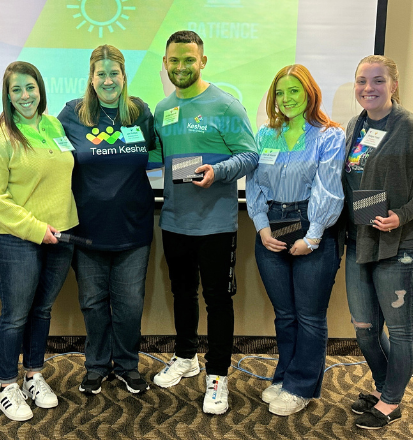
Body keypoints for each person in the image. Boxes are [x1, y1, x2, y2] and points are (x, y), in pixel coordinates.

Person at [342, 55, 413, 429]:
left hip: (403, 244)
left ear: (393, 85)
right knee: (364, 328)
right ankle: (385, 387)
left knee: (400, 329)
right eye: (361, 81)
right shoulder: (355, 126)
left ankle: (390, 400)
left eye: (377, 81)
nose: (367, 88)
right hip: (362, 240)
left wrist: (402, 215)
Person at [150, 30, 258, 415]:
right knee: (181, 294)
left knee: (217, 300)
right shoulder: (163, 109)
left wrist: (219, 170)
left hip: (215, 224)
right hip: (174, 220)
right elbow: (154, 158)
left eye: (188, 60)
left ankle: (218, 377)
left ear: (202, 61)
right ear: (166, 64)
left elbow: (250, 156)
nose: (181, 67)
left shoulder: (225, 106)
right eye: (174, 60)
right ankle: (185, 357)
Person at [0, 61, 78, 421]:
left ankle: (34, 375)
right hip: (16, 238)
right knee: (16, 315)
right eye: (16, 89)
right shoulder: (0, 137)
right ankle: (6, 385)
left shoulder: (54, 126)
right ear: (6, 95)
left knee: (42, 309)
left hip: (62, 234)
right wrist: (37, 229)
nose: (25, 95)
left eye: (30, 87)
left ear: (41, 89)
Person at [246, 65, 345, 416]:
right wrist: (261, 226)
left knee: (309, 316)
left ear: (310, 93)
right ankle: (285, 375)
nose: (286, 99)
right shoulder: (264, 135)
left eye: (294, 91)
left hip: (311, 223)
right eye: (281, 92)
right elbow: (254, 184)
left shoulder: (329, 136)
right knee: (284, 314)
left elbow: (329, 187)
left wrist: (314, 235)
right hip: (270, 226)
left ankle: (301, 387)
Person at [57, 45, 156, 395]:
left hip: (134, 227)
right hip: (87, 231)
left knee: (129, 306)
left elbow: (156, 153)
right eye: (101, 73)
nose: (108, 79)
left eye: (115, 72)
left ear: (124, 76)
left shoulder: (140, 112)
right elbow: (48, 154)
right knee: (94, 304)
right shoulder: (72, 114)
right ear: (91, 77)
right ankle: (96, 366)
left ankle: (128, 365)